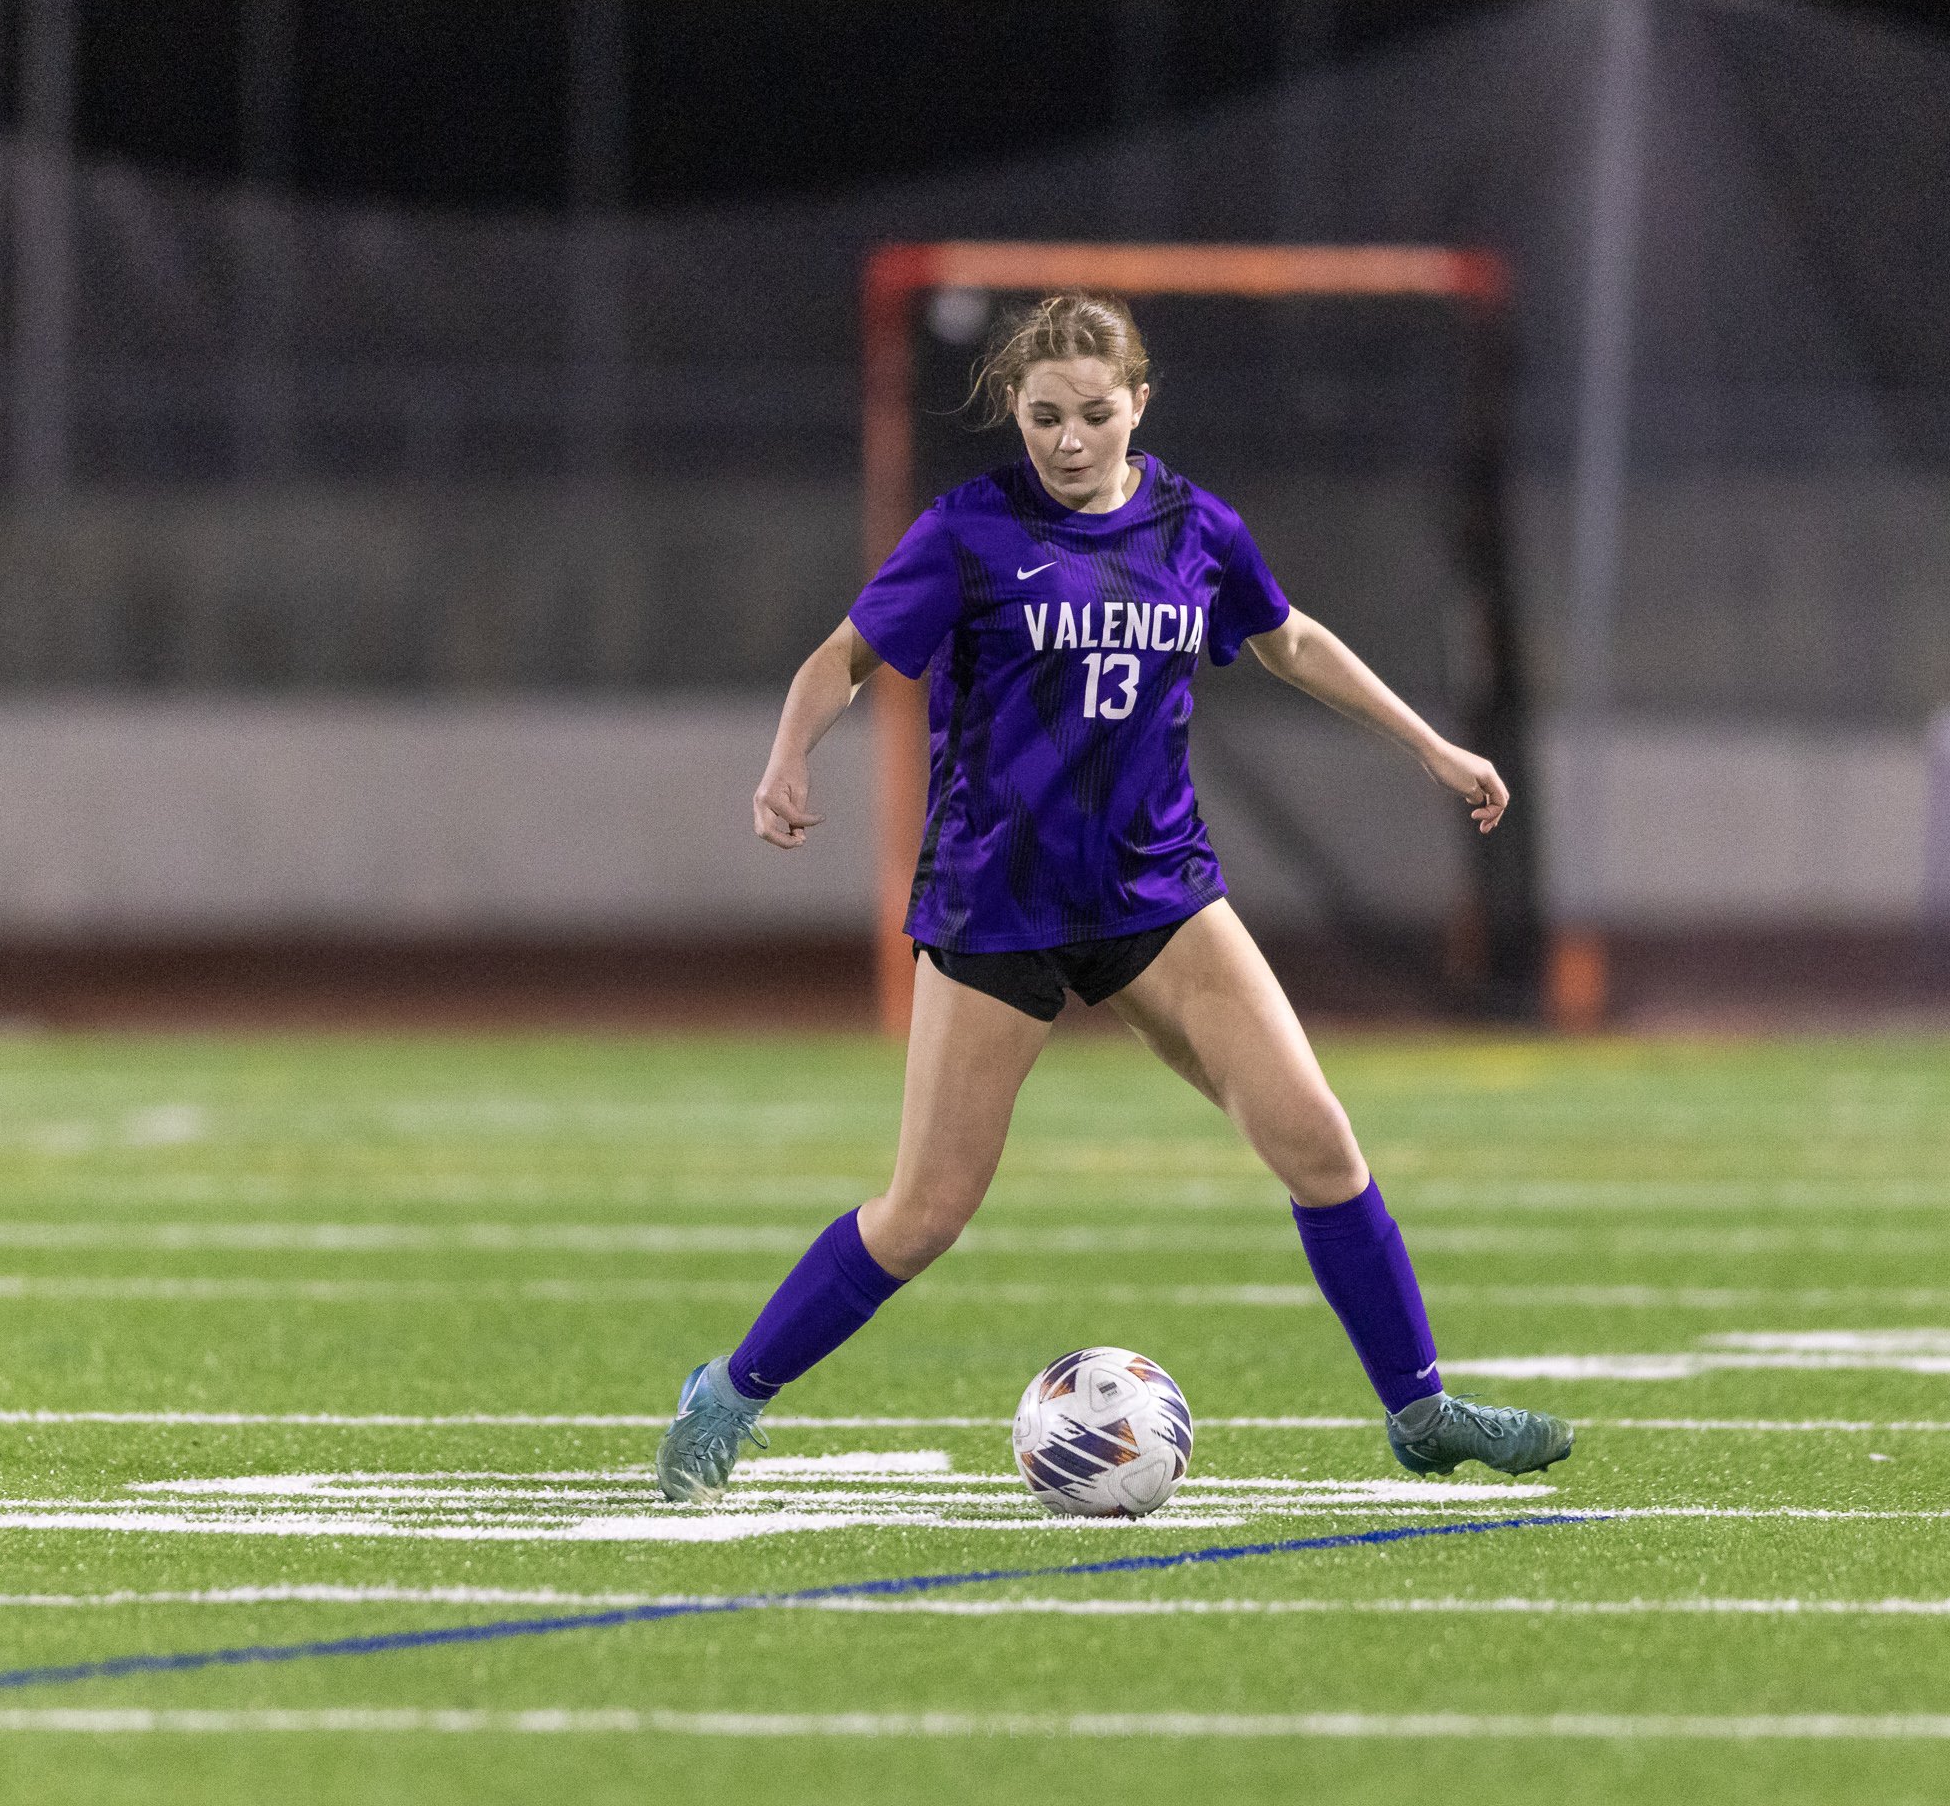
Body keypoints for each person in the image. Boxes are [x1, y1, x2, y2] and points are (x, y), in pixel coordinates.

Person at [656, 292, 1572, 1503]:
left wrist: (1430, 746)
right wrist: (788, 754)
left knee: (1319, 1143)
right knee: (925, 1213)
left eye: (1094, 412)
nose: (1069, 439)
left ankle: (1420, 1411)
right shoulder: (970, 529)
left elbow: (1289, 639)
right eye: (1044, 416)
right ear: (1013, 411)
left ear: (1138, 403)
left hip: (1157, 893)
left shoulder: (1195, 526)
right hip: (999, 904)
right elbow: (844, 657)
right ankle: (726, 1394)